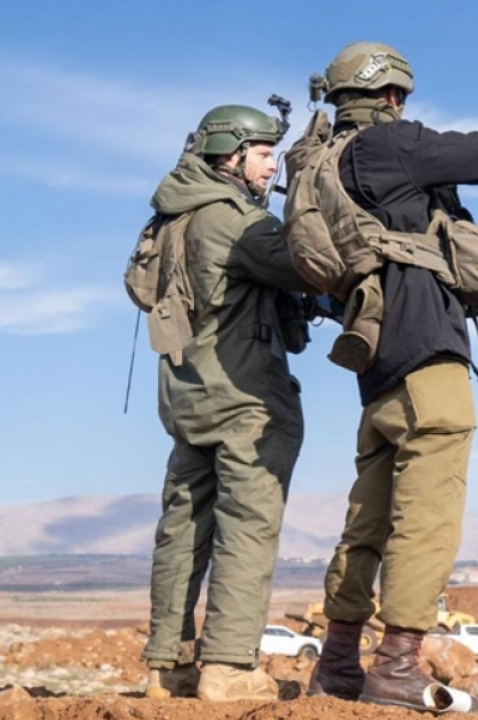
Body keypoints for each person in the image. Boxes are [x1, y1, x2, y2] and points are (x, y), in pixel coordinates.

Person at [301, 41, 478, 711]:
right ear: (392, 96)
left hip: (373, 371)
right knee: (427, 514)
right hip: (424, 354)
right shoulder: (386, 149)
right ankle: (397, 663)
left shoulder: (320, 168)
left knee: (367, 519)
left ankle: (339, 662)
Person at [139, 104, 318, 701]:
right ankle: (228, 667)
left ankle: (168, 665)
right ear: (229, 155)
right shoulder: (235, 221)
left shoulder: (171, 218)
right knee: (247, 526)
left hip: (187, 399)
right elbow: (309, 262)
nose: (273, 167)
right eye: (265, 154)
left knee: (182, 530)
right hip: (244, 400)